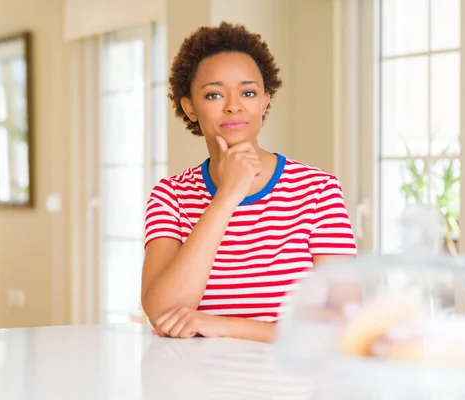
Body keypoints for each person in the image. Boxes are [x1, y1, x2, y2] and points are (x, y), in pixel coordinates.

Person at [141, 22, 357, 343]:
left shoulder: (318, 190)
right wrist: (227, 196)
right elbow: (163, 312)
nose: (233, 105)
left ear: (264, 102)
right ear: (189, 107)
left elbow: (345, 322)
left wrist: (222, 325)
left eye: (248, 92)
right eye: (214, 94)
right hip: (195, 382)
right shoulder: (170, 196)